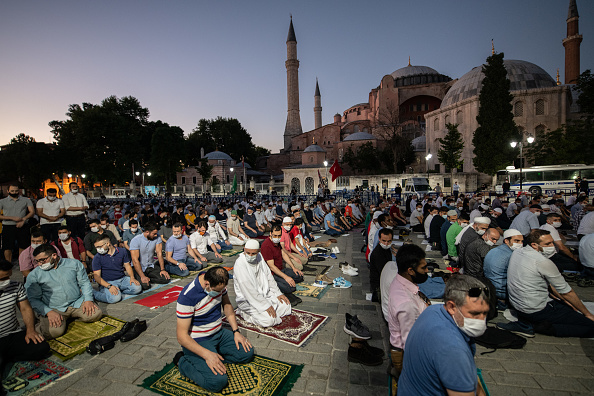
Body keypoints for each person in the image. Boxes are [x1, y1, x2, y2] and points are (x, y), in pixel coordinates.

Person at [397, 274, 490, 395]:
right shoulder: (453, 350)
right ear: (452, 307)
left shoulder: (433, 310)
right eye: (474, 314)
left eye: (485, 313)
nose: (481, 320)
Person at [176, 267, 254, 392]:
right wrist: (206, 354)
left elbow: (227, 305)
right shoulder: (187, 297)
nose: (220, 292)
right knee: (217, 382)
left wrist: (236, 332)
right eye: (217, 290)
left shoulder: (219, 285)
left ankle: (215, 355)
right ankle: (183, 362)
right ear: (207, 284)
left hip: (218, 333)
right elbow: (181, 337)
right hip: (199, 340)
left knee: (247, 353)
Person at [507, 229, 594, 337]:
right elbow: (566, 292)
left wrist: (566, 302)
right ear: (534, 245)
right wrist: (588, 314)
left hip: (519, 305)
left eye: (552, 242)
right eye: (548, 244)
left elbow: (551, 287)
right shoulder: (543, 262)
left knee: (569, 308)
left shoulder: (518, 252)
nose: (552, 246)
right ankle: (539, 327)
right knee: (590, 326)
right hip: (536, 310)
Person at [26, 244, 102, 339]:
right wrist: (48, 312)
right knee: (54, 332)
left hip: (76, 302)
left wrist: (88, 300)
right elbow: (33, 299)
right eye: (37, 261)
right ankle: (40, 322)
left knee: (95, 314)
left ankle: (68, 318)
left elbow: (85, 283)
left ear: (54, 255)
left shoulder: (74, 264)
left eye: (42, 260)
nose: (40, 264)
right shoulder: (34, 275)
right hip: (54, 308)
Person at [0, 259, 50, 389]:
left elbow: (25, 308)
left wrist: (30, 330)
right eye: (3, 278)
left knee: (41, 347)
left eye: (8, 276)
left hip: (12, 334)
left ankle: (6, 356)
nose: (6, 281)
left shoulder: (15, 286)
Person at [387, 244, 429, 383]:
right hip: (407, 353)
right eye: (423, 268)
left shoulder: (400, 280)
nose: (427, 271)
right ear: (410, 270)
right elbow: (410, 343)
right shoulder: (407, 304)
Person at [233, 240, 291, 327]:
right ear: (244, 250)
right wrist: (265, 305)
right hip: (248, 300)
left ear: (258, 251)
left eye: (253, 253)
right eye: (248, 253)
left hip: (264, 294)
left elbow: (268, 276)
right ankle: (245, 314)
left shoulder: (259, 257)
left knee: (286, 305)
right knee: (269, 320)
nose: (250, 256)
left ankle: (268, 312)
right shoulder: (240, 264)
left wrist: (278, 293)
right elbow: (248, 290)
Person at [259, 224, 303, 305]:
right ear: (270, 234)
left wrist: (293, 268)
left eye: (279, 236)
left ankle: (285, 281)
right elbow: (271, 267)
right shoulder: (266, 245)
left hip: (281, 269)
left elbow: (284, 254)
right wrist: (286, 277)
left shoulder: (278, 243)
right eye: (275, 235)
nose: (277, 237)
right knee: (290, 287)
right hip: (273, 274)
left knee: (299, 276)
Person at [92, 234, 142, 303]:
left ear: (108, 243)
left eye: (99, 246)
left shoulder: (122, 251)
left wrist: (132, 277)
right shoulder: (97, 257)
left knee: (137, 288)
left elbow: (127, 266)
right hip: (108, 282)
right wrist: (109, 286)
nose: (98, 249)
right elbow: (96, 276)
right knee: (114, 299)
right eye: (96, 247)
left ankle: (118, 291)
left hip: (122, 279)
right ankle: (94, 293)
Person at [483, 229, 523, 302]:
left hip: (490, 287)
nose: (520, 244)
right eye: (517, 241)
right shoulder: (511, 256)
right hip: (502, 292)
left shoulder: (493, 250)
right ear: (506, 241)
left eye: (521, 241)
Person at [129, 222, 170, 290]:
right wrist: (142, 276)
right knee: (145, 286)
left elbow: (159, 254)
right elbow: (135, 260)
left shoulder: (157, 238)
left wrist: (162, 269)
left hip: (150, 266)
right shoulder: (136, 240)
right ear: (147, 232)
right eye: (154, 234)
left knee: (165, 279)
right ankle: (143, 277)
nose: (156, 235)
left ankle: (148, 278)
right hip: (138, 267)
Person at [0, 185, 35, 263]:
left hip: (23, 225)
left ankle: (22, 263)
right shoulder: (2, 201)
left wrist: (23, 219)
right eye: (12, 191)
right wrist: (12, 218)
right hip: (8, 226)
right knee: (7, 247)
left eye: (16, 191)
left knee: (23, 245)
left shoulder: (26, 200)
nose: (14, 192)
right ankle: (7, 263)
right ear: (8, 191)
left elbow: (32, 212)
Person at [369, 228, 395, 302]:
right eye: (384, 241)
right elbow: (383, 273)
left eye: (389, 241)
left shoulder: (386, 249)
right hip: (379, 286)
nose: (386, 244)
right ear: (379, 239)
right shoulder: (377, 254)